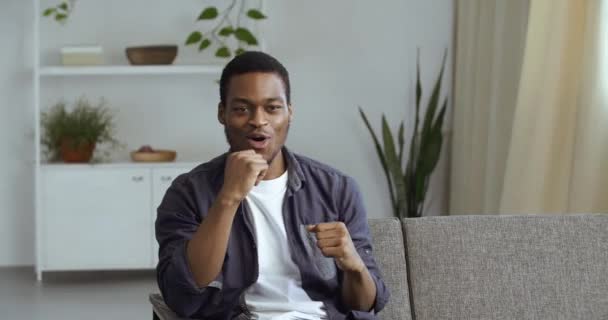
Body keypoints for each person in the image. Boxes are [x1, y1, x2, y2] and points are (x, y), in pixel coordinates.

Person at [155, 51, 389, 320]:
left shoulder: (337, 189)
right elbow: (181, 294)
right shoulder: (188, 193)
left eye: (272, 108)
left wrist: (354, 266)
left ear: (289, 113)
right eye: (242, 108)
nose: (258, 120)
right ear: (222, 113)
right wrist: (228, 198)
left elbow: (364, 304)